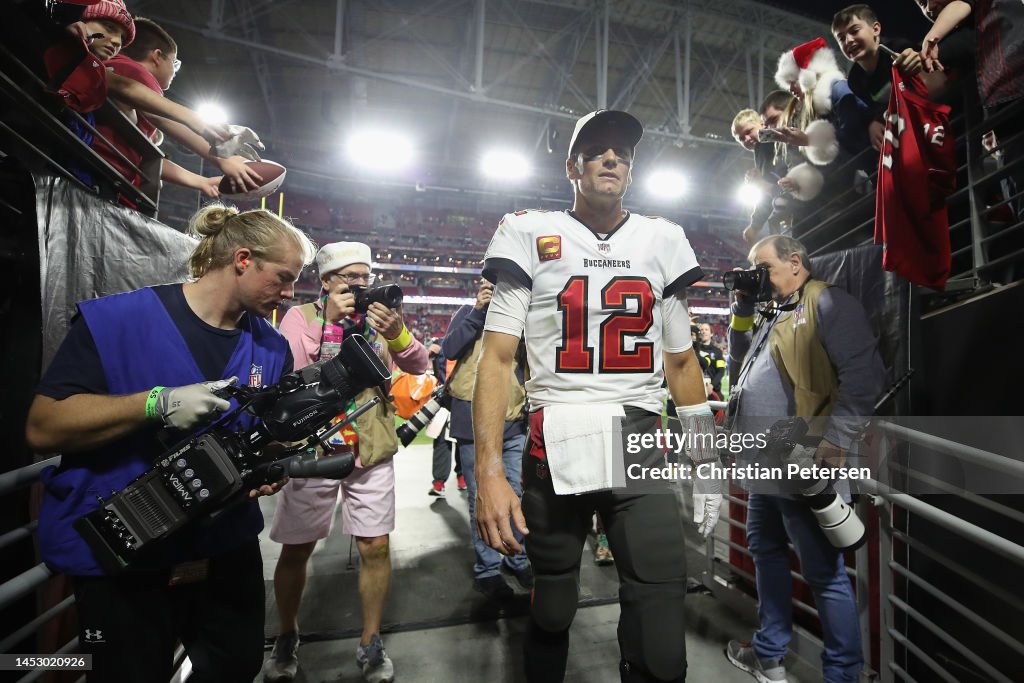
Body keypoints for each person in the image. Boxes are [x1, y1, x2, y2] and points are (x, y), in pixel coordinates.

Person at [473, 109, 721, 683]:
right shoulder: (528, 231)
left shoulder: (664, 238)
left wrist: (705, 457)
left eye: (623, 153)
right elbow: (498, 357)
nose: (613, 159)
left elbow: (681, 361)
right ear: (572, 166)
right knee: (553, 608)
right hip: (551, 442)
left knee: (661, 635)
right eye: (598, 149)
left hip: (636, 443)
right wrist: (489, 470)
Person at [25, 203, 317, 683]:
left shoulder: (271, 347)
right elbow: (42, 426)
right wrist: (153, 404)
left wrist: (271, 462)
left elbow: (257, 441)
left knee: (235, 665)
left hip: (222, 547)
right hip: (126, 553)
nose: (289, 294)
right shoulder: (119, 319)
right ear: (243, 259)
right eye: (283, 278)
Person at [263, 241, 427, 683]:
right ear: (327, 280)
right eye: (349, 277)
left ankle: (370, 641)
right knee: (297, 547)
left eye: (364, 277)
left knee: (375, 545)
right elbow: (289, 373)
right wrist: (330, 323)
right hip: (315, 445)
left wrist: (396, 332)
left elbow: (419, 362)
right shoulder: (302, 317)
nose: (359, 285)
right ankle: (286, 634)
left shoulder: (379, 320)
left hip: (368, 445)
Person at [724, 234, 885, 683]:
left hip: (803, 462)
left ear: (795, 263)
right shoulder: (772, 310)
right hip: (764, 466)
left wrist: (836, 441)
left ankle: (842, 675)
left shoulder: (829, 302)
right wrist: (741, 308)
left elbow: (866, 376)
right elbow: (738, 365)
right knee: (766, 554)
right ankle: (769, 652)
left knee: (824, 574)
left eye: (765, 268)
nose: (760, 277)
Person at [441, 277, 533, 600]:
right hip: (473, 422)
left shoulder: (521, 316)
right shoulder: (469, 311)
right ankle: (488, 569)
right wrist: (479, 311)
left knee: (517, 494)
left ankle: (517, 557)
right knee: (480, 497)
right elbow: (448, 349)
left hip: (513, 420)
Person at [101, 17, 263, 195]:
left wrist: (203, 182)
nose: (174, 71)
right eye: (174, 63)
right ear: (157, 57)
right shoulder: (137, 73)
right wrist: (222, 157)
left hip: (103, 169)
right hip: (102, 173)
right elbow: (163, 119)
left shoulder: (114, 69)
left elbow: (148, 160)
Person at [831, 5, 925, 151]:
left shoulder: (898, 49)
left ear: (875, 29)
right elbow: (877, 109)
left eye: (854, 31)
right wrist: (873, 123)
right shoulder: (854, 80)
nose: (848, 40)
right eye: (841, 38)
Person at [427, 339, 465, 495]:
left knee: (464, 440)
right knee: (441, 440)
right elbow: (426, 362)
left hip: (464, 398)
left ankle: (462, 476)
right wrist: (430, 353)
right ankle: (439, 482)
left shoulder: (473, 340)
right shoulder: (441, 343)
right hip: (444, 399)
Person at [696, 321, 726, 397]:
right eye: (702, 330)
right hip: (696, 390)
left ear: (711, 334)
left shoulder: (717, 351)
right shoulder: (694, 350)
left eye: (706, 329)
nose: (703, 332)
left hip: (713, 391)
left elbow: (721, 371)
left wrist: (712, 385)